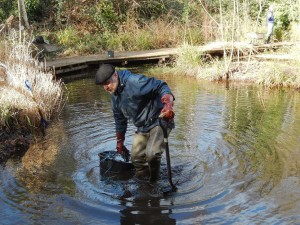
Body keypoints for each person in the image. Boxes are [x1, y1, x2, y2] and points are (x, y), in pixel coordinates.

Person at [95, 64, 175, 182]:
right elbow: (119, 119)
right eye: (103, 85)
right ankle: (143, 181)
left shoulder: (135, 82)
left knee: (152, 154)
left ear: (115, 75)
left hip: (160, 119)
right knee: (136, 158)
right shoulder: (114, 95)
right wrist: (120, 142)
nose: (106, 87)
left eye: (108, 82)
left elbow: (161, 86)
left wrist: (168, 105)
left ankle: (154, 183)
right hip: (142, 126)